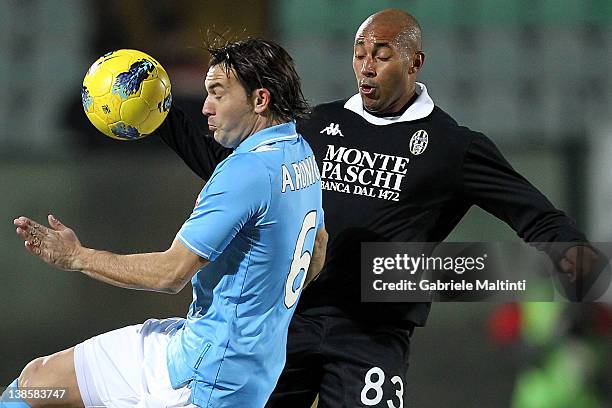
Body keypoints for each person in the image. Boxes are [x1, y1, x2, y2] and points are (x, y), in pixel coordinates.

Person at [154, 9, 598, 407]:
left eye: (381, 55)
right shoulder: (314, 125)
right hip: (290, 318)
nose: (366, 67)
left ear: (414, 62)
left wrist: (581, 265)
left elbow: (535, 215)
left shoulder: (452, 146)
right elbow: (231, 167)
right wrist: (160, 115)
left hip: (372, 333)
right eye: (359, 52)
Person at [2, 38, 326, 408]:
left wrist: (77, 256)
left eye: (218, 94)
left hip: (206, 379)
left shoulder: (246, 172)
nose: (205, 107)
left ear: (259, 100)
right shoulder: (301, 155)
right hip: (221, 352)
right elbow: (317, 249)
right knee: (38, 381)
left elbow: (170, 275)